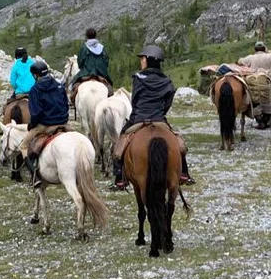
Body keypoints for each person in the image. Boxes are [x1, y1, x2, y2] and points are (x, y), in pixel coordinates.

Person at [109, 45, 194, 190]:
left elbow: (134, 101)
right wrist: (159, 113)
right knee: (179, 144)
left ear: (148, 60)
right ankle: (184, 173)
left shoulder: (138, 78)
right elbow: (168, 103)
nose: (141, 62)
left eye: (142, 59)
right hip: (159, 119)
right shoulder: (167, 81)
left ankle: (120, 178)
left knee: (120, 144)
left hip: (138, 118)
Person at [21, 58, 70, 182]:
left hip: (45, 125)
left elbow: (36, 114)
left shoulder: (35, 90)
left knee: (24, 146)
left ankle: (35, 177)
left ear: (36, 75)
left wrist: (31, 125)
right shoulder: (59, 85)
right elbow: (65, 105)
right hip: (64, 123)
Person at [238, 41, 271, 129]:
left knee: (254, 102)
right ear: (264, 48)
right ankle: (266, 121)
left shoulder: (250, 57)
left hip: (253, 81)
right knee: (270, 100)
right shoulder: (269, 56)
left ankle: (260, 122)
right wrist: (269, 51)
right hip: (266, 80)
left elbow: (240, 61)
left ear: (255, 49)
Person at [71, 27, 113, 97]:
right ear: (95, 35)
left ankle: (72, 98)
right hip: (100, 73)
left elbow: (80, 63)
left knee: (74, 83)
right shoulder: (102, 47)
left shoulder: (84, 47)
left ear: (87, 36)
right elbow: (106, 62)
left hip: (86, 73)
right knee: (110, 85)